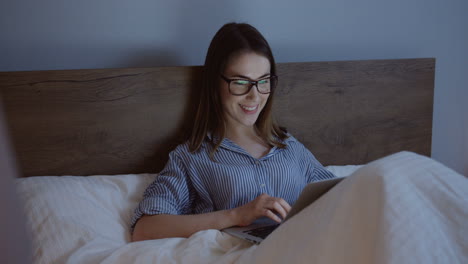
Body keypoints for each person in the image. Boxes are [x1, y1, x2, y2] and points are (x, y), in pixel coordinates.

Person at [131, 22, 336, 242]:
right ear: (215, 83)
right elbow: (145, 228)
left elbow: (339, 197)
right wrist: (237, 215)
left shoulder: (289, 146)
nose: (255, 96)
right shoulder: (191, 157)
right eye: (240, 82)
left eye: (263, 81)